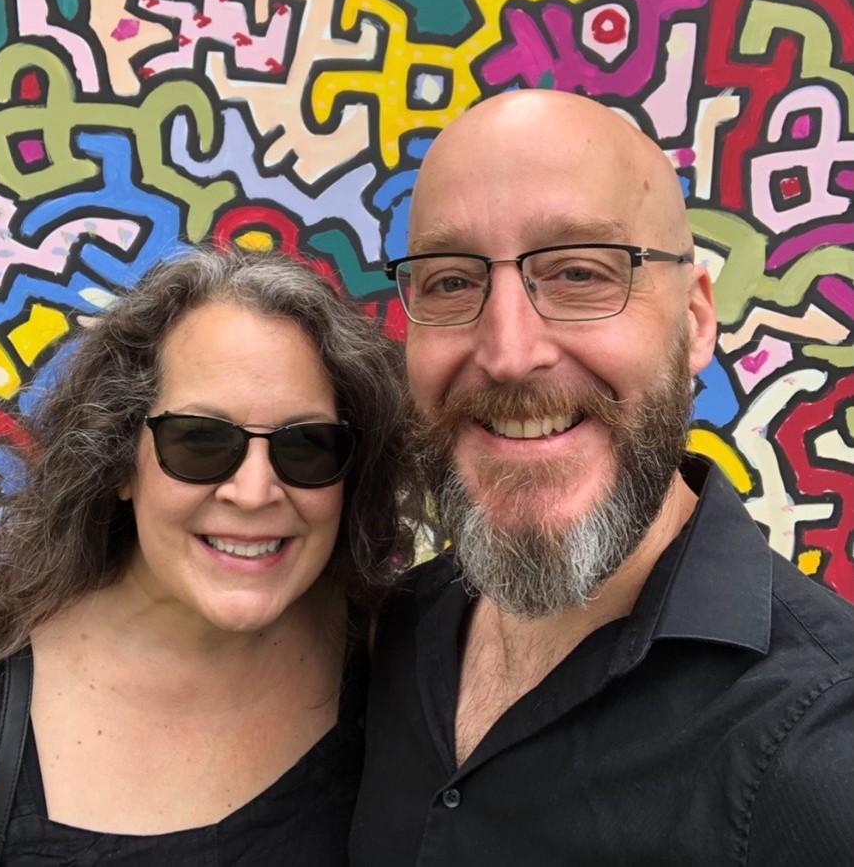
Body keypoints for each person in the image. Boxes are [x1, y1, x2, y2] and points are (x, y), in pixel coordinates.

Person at [350, 90, 854, 865]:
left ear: (694, 320)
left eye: (580, 272)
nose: (510, 351)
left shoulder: (819, 755)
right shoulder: (386, 637)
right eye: (451, 282)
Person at [0, 247, 412, 865]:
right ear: (120, 459)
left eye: (306, 445)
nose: (254, 493)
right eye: (199, 440)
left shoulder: (395, 657)